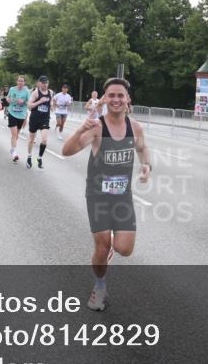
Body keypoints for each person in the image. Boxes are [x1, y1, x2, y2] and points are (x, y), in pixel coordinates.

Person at [62, 77, 151, 311]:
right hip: (97, 196)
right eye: (111, 95)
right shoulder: (97, 127)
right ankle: (99, 286)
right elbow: (67, 151)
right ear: (105, 98)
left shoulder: (135, 127)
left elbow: (142, 149)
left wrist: (146, 165)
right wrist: (80, 129)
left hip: (122, 196)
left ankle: (108, 248)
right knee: (101, 247)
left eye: (121, 95)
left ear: (128, 99)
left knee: (124, 249)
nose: (116, 99)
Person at [25, 76, 54, 169]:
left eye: (46, 83)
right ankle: (29, 157)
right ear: (39, 83)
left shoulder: (50, 92)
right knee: (31, 139)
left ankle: (40, 157)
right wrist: (40, 101)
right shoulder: (36, 93)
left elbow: (51, 102)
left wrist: (52, 106)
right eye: (43, 83)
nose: (45, 85)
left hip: (45, 119)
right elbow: (29, 106)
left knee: (44, 140)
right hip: (34, 119)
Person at [6, 76, 31, 162]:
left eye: (22, 81)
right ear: (17, 81)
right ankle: (14, 153)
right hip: (12, 114)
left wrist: (23, 102)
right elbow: (8, 98)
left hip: (21, 115)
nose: (20, 82)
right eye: (19, 81)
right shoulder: (12, 89)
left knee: (16, 135)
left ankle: (12, 148)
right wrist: (9, 100)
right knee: (14, 134)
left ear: (24, 82)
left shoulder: (27, 91)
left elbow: (29, 103)